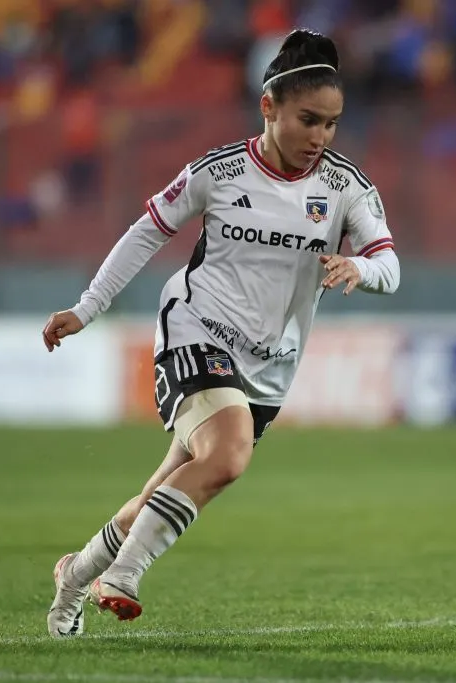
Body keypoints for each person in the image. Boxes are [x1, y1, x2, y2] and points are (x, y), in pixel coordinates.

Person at [41, 28, 400, 638]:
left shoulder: (344, 187)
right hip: (196, 327)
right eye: (308, 120)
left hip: (269, 366)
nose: (320, 137)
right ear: (269, 107)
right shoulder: (220, 171)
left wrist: (358, 266)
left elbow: (389, 268)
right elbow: (148, 230)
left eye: (332, 124)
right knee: (228, 454)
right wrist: (89, 306)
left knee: (167, 488)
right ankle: (123, 576)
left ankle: (74, 575)